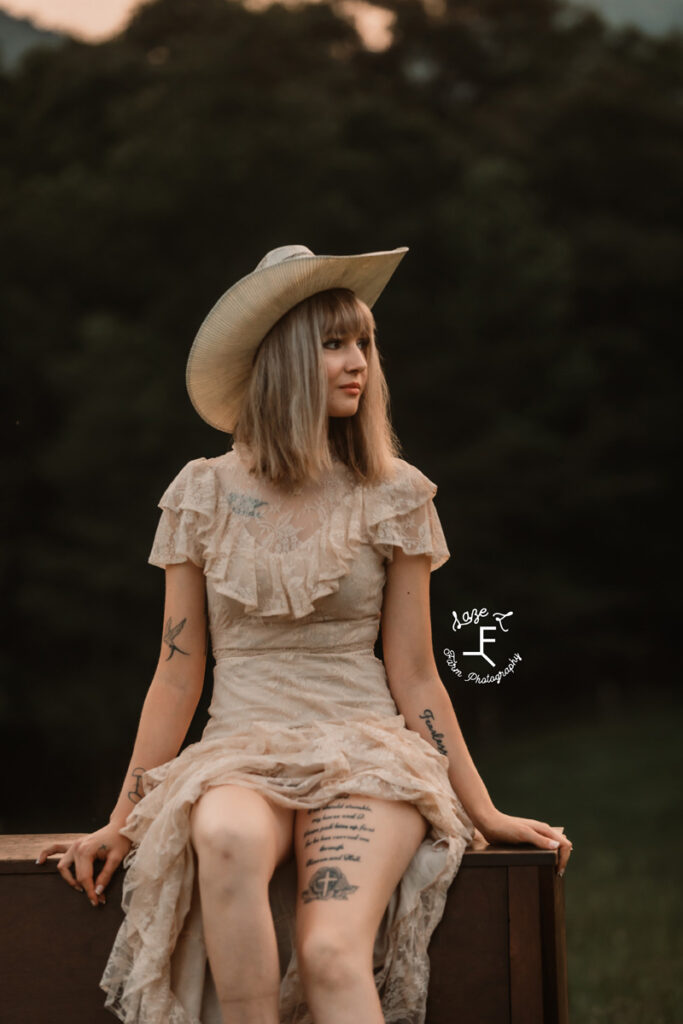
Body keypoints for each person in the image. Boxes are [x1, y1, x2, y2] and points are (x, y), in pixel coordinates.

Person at [37, 243, 572, 1024]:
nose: (359, 363)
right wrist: (119, 822)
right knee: (220, 834)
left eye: (363, 342)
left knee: (327, 953)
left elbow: (416, 672)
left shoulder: (392, 493)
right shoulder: (201, 491)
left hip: (363, 750)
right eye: (333, 345)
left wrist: (482, 811)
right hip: (239, 748)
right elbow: (177, 673)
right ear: (284, 359)